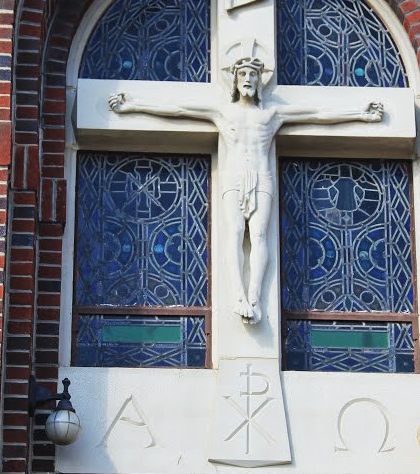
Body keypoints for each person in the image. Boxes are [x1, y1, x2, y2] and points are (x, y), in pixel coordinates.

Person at [109, 57, 383, 324]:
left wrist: (360, 114)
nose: (248, 80)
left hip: (262, 176)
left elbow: (317, 113)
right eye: (243, 76)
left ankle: (254, 297)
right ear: (236, 81)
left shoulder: (272, 114)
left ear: (260, 81)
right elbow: (179, 108)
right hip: (233, 177)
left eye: (253, 75)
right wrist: (134, 105)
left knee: (260, 234)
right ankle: (238, 294)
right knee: (236, 232)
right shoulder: (222, 112)